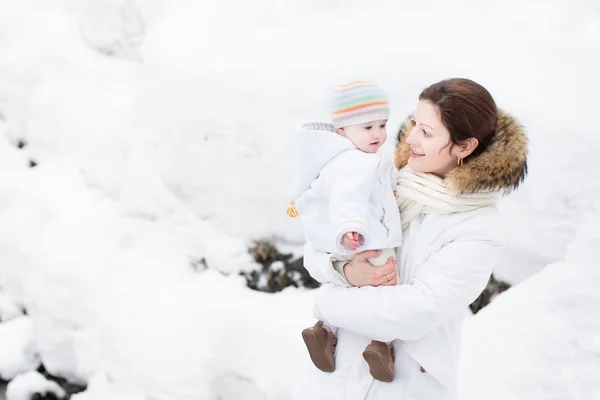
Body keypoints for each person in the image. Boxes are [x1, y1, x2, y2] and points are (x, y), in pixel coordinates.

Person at [298, 78, 528, 399]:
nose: (409, 138)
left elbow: (417, 310)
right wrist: (343, 270)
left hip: (404, 386)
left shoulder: (478, 229)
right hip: (337, 377)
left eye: (426, 132)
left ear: (464, 147)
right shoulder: (385, 180)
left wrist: (327, 302)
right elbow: (316, 246)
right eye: (414, 124)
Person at [287, 81, 402, 382]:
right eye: (367, 127)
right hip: (366, 241)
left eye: (382, 125)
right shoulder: (354, 162)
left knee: (344, 288)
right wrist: (351, 227)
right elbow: (346, 199)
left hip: (346, 244)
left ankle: (323, 330)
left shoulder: (340, 160)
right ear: (342, 132)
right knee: (386, 288)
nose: (377, 134)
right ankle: (382, 344)